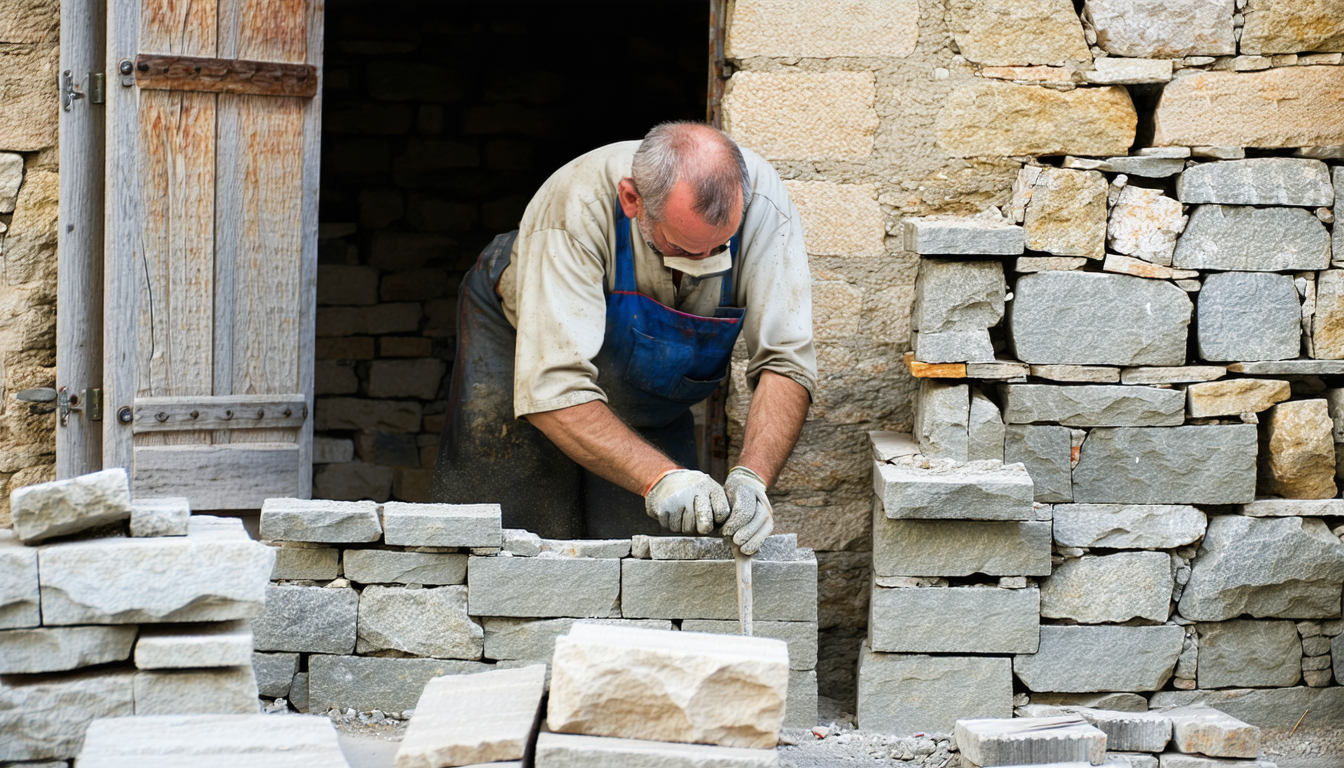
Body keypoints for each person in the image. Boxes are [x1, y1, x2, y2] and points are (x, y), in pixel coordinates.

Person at [432, 121, 815, 555]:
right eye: (688, 249)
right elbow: (553, 387)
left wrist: (753, 476)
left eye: (721, 247)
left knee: (650, 551)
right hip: (522, 336)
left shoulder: (763, 206)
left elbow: (785, 361)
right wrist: (659, 478)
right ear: (633, 200)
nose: (707, 262)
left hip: (643, 382)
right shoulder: (574, 205)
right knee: (515, 532)